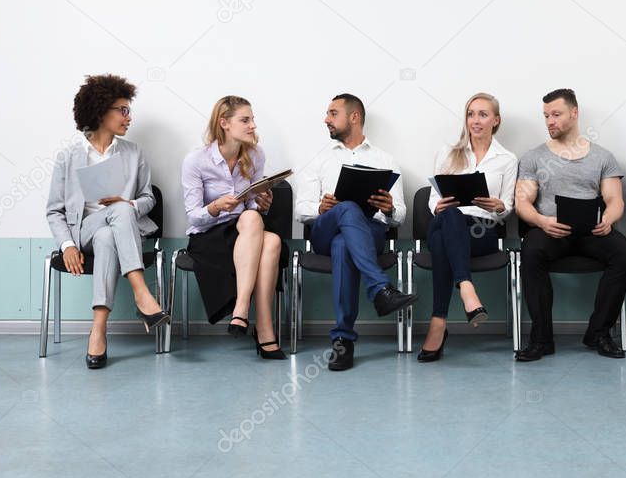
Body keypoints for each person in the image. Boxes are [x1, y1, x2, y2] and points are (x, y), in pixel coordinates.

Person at [46, 74, 170, 369]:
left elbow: (147, 198)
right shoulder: (69, 156)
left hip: (116, 232)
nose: (129, 117)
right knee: (107, 225)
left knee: (111, 229)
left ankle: (98, 330)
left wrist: (127, 204)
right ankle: (142, 294)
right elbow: (54, 210)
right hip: (84, 230)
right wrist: (66, 246)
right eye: (123, 110)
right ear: (101, 112)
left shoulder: (134, 153)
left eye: (129, 110)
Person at [294, 93, 416, 371]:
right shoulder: (318, 160)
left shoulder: (385, 159)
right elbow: (301, 210)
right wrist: (321, 208)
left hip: (368, 232)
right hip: (324, 229)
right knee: (346, 209)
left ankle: (343, 342)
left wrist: (388, 209)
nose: (326, 119)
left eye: (332, 113)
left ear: (354, 117)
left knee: (343, 245)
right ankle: (380, 288)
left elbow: (400, 215)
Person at [514, 88, 626, 361]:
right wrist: (542, 221)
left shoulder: (603, 157)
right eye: (546, 116)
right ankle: (541, 339)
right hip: (550, 230)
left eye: (556, 114)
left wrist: (608, 219)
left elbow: (615, 200)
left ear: (574, 113)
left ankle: (599, 332)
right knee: (531, 253)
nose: (550, 121)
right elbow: (522, 202)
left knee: (625, 255)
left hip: (591, 230)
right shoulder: (534, 157)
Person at [180, 95, 285, 360]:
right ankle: (261, 328)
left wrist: (263, 202)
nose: (252, 126)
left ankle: (246, 315)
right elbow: (193, 216)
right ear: (224, 123)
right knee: (265, 236)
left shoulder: (256, 155)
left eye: (252, 120)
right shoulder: (196, 160)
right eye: (245, 120)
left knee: (258, 225)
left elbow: (254, 207)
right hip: (208, 236)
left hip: (244, 231)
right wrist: (215, 207)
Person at [418, 92, 518, 362]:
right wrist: (438, 207)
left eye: (483, 114)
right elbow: (432, 201)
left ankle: (439, 322)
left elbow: (508, 206)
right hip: (446, 220)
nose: (475, 120)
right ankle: (466, 288)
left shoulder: (507, 159)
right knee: (451, 215)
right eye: (471, 114)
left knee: (441, 242)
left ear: (495, 121)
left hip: (481, 231)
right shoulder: (448, 152)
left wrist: (497, 205)